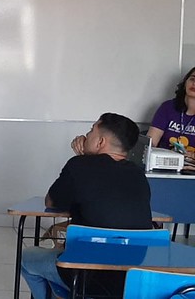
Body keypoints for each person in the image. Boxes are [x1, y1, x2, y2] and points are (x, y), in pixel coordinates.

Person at [21, 113, 151, 299]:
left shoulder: (79, 165)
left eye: (91, 131)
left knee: (27, 258)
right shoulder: (139, 175)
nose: (86, 135)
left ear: (100, 142)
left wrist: (84, 160)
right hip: (133, 279)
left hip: (83, 274)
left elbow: (51, 201)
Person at [147, 67, 195, 157]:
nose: (194, 83)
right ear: (185, 82)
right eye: (192, 79)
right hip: (164, 161)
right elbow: (150, 143)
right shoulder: (168, 107)